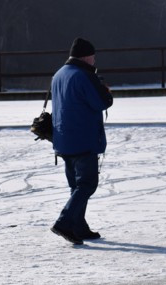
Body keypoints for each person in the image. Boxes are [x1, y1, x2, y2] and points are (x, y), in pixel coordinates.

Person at [50, 37, 113, 246]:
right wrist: (105, 90)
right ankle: (65, 222)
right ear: (87, 56)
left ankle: (79, 225)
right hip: (83, 137)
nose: (94, 61)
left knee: (76, 185)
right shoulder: (84, 76)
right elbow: (101, 103)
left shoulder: (59, 74)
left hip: (63, 138)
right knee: (87, 184)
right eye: (93, 57)